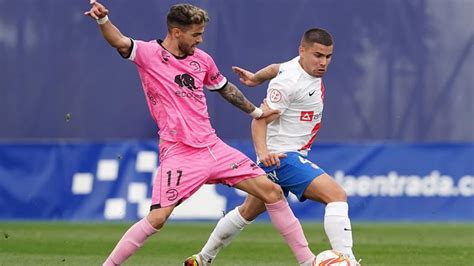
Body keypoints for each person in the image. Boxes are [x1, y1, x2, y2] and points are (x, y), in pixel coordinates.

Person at [84, 1, 319, 265]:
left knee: (272, 192)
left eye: (202, 33)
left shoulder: (202, 60)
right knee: (158, 218)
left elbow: (225, 89)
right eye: (195, 34)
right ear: (176, 32)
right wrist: (103, 20)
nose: (200, 39)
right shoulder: (149, 54)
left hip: (213, 147)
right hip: (179, 152)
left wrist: (255, 112)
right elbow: (119, 41)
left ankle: (308, 261)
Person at [184, 28, 361, 266]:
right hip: (282, 157)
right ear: (302, 51)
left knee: (247, 211)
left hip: (282, 156)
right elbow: (259, 120)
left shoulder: (293, 67)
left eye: (328, 57)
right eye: (318, 55)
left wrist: (257, 78)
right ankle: (347, 260)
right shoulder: (289, 82)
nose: (323, 63)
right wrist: (263, 155)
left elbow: (277, 66)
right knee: (336, 195)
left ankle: (202, 258)